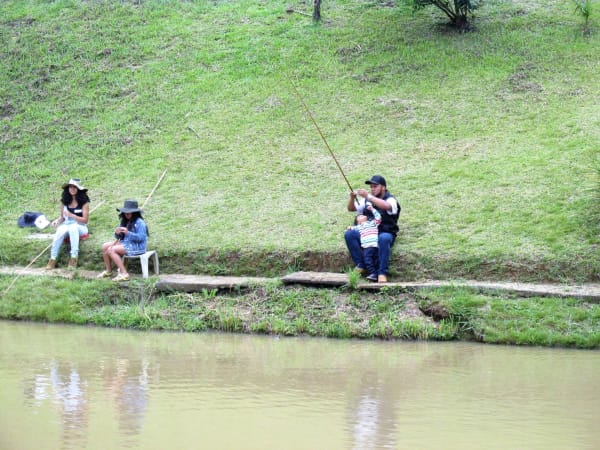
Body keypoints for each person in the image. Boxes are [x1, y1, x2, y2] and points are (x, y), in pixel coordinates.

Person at [344, 175, 400, 283]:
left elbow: (386, 206)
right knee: (349, 234)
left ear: (383, 187)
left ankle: (381, 272)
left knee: (383, 239)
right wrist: (352, 198)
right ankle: (361, 264)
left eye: (375, 186)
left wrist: (368, 196)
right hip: (367, 232)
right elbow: (351, 208)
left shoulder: (391, 199)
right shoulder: (367, 200)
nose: (372, 189)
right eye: (371, 187)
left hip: (384, 232)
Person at [98, 199, 148, 282]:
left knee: (111, 249)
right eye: (125, 212)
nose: (126, 214)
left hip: (137, 246)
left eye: (129, 212)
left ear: (134, 212)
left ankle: (124, 273)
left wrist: (128, 233)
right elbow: (119, 237)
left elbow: (141, 238)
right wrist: (117, 233)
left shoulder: (140, 223)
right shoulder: (125, 221)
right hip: (126, 243)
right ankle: (108, 271)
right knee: (105, 246)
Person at [46, 178, 90, 270]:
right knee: (60, 230)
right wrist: (57, 221)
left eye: (74, 187)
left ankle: (74, 258)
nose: (72, 189)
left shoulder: (84, 203)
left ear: (78, 189)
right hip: (67, 224)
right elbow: (62, 217)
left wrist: (72, 215)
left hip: (80, 226)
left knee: (73, 227)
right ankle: (52, 259)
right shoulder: (64, 202)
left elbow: (85, 220)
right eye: (70, 187)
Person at [346, 204, 381, 282]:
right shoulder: (359, 227)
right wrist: (349, 227)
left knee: (377, 259)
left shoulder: (372, 223)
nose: (362, 215)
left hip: (376, 245)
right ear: (358, 222)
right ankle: (373, 273)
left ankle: (378, 273)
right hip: (367, 246)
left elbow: (378, 217)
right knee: (368, 260)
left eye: (362, 215)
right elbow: (351, 228)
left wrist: (372, 210)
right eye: (359, 216)